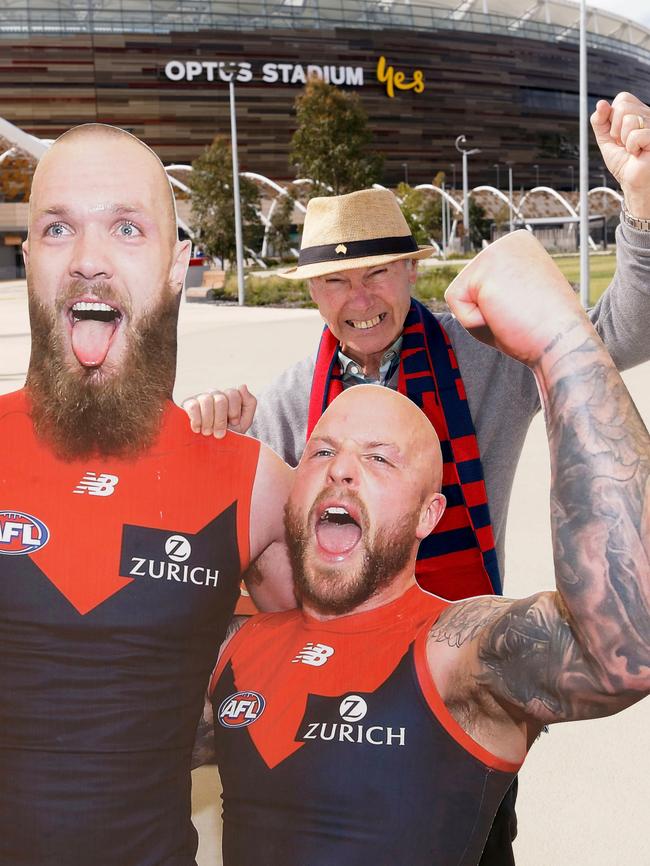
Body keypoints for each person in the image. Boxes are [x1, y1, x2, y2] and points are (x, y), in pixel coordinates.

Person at [198, 230, 650, 866]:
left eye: (380, 457)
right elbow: (88, 716)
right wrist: (193, 472)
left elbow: (623, 645)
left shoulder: (456, 656)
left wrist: (560, 339)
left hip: (451, 628)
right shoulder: (241, 649)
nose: (340, 470)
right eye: (321, 452)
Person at [184, 91, 650, 601]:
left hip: (459, 645)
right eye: (335, 281)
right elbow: (232, 546)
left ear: (412, 269)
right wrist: (215, 443)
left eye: (378, 272)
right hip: (335, 649)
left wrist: (643, 203)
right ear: (312, 291)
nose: (360, 299)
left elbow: (620, 335)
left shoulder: (484, 353)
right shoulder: (289, 403)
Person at [0, 124, 295, 866]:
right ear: (28, 259)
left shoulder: (251, 481)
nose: (88, 261)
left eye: (126, 228)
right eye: (58, 228)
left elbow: (349, 658)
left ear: (175, 266)